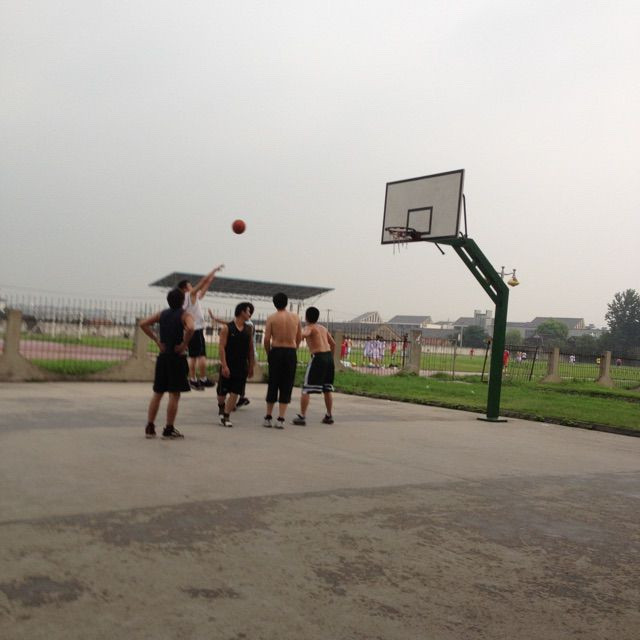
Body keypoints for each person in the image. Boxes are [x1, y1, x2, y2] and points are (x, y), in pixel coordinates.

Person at [140, 288, 195, 439]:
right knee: (174, 394)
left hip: (163, 357)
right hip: (177, 358)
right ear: (183, 301)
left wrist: (157, 340)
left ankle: (150, 427)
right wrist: (184, 344)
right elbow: (191, 327)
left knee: (158, 393)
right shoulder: (185, 315)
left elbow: (143, 323)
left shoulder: (162, 314)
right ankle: (169, 428)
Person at [177, 264, 224, 390]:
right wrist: (213, 270)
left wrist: (210, 279)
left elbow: (202, 291)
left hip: (196, 329)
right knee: (195, 356)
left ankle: (200, 379)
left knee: (199, 355)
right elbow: (202, 282)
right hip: (194, 329)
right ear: (185, 288)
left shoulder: (190, 297)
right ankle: (194, 379)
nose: (192, 286)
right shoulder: (189, 295)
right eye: (190, 285)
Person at [263, 292, 301, 429]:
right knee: (287, 384)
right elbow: (299, 336)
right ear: (286, 302)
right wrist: (294, 349)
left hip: (276, 350)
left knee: (273, 383)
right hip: (290, 351)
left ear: (274, 303)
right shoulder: (295, 317)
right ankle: (281, 418)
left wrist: (269, 353)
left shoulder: (271, 318)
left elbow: (266, 339)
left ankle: (268, 417)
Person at [293, 307, 336, 426]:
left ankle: (302, 416)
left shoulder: (309, 327)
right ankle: (329, 415)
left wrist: (298, 334)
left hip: (318, 357)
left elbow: (304, 334)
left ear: (306, 317)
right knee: (327, 388)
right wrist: (331, 358)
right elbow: (333, 344)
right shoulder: (323, 328)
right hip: (328, 357)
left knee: (306, 388)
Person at [216, 302, 255, 428]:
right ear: (242, 312)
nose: (250, 314)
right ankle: (221, 407)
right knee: (222, 393)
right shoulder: (227, 328)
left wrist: (251, 366)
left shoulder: (249, 329)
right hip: (228, 364)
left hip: (241, 366)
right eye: (248, 311)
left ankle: (226, 416)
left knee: (235, 391)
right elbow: (221, 347)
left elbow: (250, 349)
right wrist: (224, 365)